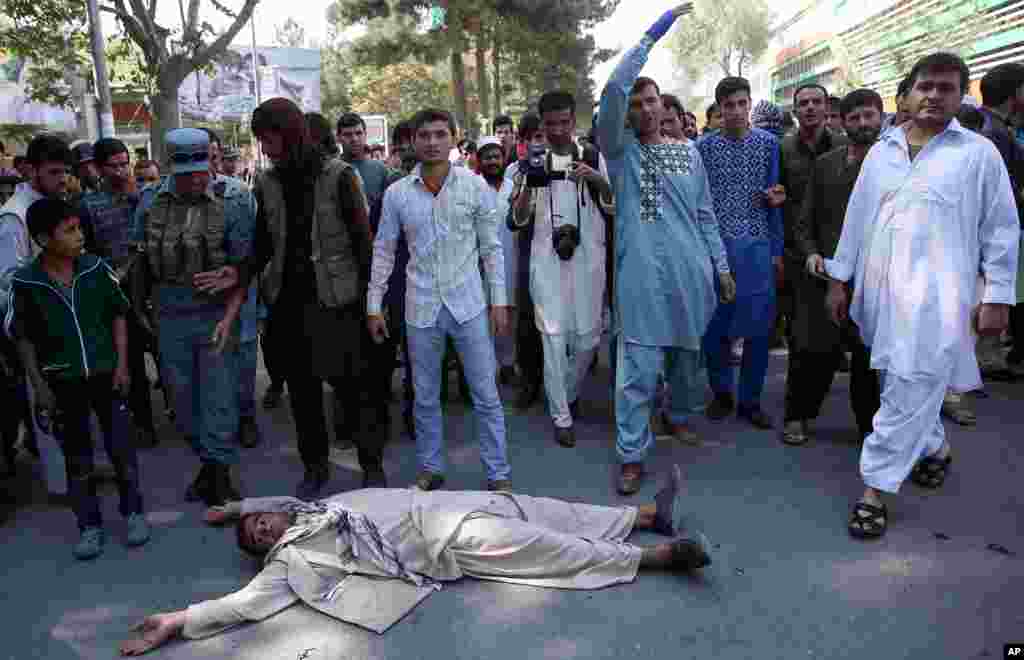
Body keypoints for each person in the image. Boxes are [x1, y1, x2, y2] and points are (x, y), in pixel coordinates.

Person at [118, 467, 712, 656]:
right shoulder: (295, 558)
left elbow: (276, 500)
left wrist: (239, 504)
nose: (264, 523)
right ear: (264, 548)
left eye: (261, 518)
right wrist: (179, 621)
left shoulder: (310, 508)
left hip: (444, 504)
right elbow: (243, 605)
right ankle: (657, 558)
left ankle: (643, 516)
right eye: (256, 532)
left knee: (547, 511)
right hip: (444, 543)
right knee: (547, 552)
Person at [825, 52, 1019, 539]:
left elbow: (1001, 229)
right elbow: (856, 220)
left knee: (909, 386)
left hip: (941, 297)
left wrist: (998, 296)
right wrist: (838, 278)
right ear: (908, 93)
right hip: (881, 296)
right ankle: (934, 447)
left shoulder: (977, 154)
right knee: (900, 382)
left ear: (961, 96)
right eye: (925, 86)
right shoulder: (883, 150)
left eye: (946, 88)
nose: (934, 95)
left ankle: (876, 491)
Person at [598, 5, 734, 494]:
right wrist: (653, 34)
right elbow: (613, 89)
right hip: (640, 279)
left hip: (690, 275)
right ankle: (631, 454)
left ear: (664, 106)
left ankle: (677, 416)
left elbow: (704, 215)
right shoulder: (620, 150)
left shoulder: (689, 151)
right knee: (636, 370)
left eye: (651, 100)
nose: (643, 108)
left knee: (685, 360)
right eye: (635, 103)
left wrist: (719, 266)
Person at [209, 98, 375, 497]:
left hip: (339, 302)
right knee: (303, 394)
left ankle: (373, 466)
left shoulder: (340, 176)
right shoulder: (266, 183)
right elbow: (263, 244)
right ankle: (314, 468)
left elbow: (363, 245)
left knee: (353, 388)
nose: (266, 148)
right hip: (288, 303)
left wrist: (373, 305)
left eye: (270, 139)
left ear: (291, 133)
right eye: (262, 141)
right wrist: (241, 272)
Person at [367, 108, 512, 492]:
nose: (432, 142)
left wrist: (499, 301)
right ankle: (431, 467)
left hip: (469, 305)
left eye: (439, 134)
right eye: (424, 135)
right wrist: (373, 304)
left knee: (485, 393)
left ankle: (498, 471)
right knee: (425, 396)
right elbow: (383, 250)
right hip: (421, 306)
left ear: (453, 138)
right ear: (412, 141)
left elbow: (491, 248)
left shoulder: (474, 186)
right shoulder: (397, 194)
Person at [7, 198, 149, 559]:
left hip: (106, 374)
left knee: (121, 450)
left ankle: (133, 513)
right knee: (78, 459)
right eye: (68, 230)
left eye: (79, 228)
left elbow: (118, 314)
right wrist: (39, 387)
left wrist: (122, 366)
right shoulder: (26, 281)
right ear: (43, 238)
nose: (79, 235)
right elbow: (23, 338)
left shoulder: (95, 268)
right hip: (62, 382)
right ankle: (89, 527)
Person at [132, 128, 251, 507]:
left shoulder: (234, 199)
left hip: (216, 312)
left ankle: (219, 476)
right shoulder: (150, 200)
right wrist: (138, 313)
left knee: (217, 399)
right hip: (168, 314)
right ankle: (209, 467)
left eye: (204, 168)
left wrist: (230, 317)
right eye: (188, 173)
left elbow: (245, 267)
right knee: (182, 404)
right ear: (171, 169)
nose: (199, 178)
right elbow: (139, 261)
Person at [782, 89, 884, 445]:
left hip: (875, 278)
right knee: (811, 349)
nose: (861, 123)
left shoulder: (896, 165)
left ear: (881, 118)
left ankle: (870, 427)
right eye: (854, 117)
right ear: (842, 120)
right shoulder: (827, 164)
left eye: (868, 116)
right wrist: (809, 252)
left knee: (867, 358)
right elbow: (803, 220)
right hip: (823, 274)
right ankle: (798, 417)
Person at [511, 91, 611, 448]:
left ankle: (567, 393)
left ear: (573, 120)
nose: (557, 131)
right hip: (546, 258)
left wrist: (595, 179)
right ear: (543, 124)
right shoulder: (532, 160)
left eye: (564, 122)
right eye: (550, 124)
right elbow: (518, 219)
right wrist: (526, 181)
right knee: (552, 339)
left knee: (588, 338)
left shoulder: (593, 156)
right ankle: (561, 416)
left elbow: (614, 209)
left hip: (588, 259)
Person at [698, 77, 783, 431]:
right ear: (718, 109)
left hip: (757, 248)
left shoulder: (768, 144)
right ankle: (722, 394)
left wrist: (776, 251)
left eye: (741, 103)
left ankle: (750, 400)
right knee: (715, 329)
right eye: (727, 105)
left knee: (758, 330)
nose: (735, 111)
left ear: (749, 105)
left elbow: (775, 198)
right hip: (715, 250)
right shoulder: (702, 149)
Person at [0, 134, 72, 496]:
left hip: (65, 321)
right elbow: (8, 281)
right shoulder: (14, 216)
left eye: (65, 172)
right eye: (54, 172)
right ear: (31, 170)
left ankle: (79, 471)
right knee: (46, 404)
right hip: (37, 328)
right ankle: (61, 485)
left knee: (72, 402)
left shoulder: (53, 204)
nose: (62, 179)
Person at [337, 111, 411, 448]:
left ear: (365, 135)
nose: (353, 139)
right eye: (347, 134)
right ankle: (351, 417)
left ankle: (387, 413)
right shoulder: (334, 173)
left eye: (358, 133)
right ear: (339, 137)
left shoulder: (383, 173)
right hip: (345, 272)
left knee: (384, 344)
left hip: (381, 268)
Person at [78, 138, 158, 448]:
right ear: (99, 168)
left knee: (168, 357)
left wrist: (137, 198)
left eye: (125, 163)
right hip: (117, 295)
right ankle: (143, 423)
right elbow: (88, 254)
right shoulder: (88, 206)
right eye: (114, 165)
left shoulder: (145, 197)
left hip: (153, 288)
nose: (122, 170)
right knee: (133, 361)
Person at [778, 84, 847, 354]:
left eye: (816, 102)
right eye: (803, 103)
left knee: (836, 323)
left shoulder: (844, 145)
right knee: (800, 330)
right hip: (797, 253)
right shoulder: (782, 149)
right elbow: (778, 196)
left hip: (837, 249)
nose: (810, 107)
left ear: (827, 107)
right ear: (795, 111)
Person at [503, 113, 547, 409]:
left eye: (542, 136)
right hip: (527, 253)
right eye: (533, 137)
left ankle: (565, 388)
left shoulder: (572, 164)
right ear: (523, 142)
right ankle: (530, 382)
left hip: (563, 256)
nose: (539, 142)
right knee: (528, 323)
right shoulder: (514, 173)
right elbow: (513, 220)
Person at [478, 136, 519, 385]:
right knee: (483, 318)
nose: (492, 161)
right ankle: (486, 369)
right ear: (479, 161)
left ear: (504, 159)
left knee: (510, 318)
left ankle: (507, 364)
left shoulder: (513, 187)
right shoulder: (472, 187)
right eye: (487, 157)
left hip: (510, 261)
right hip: (480, 265)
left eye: (496, 156)